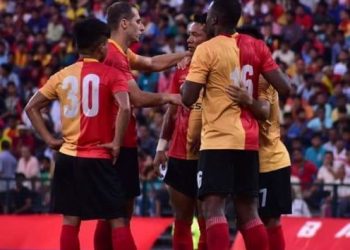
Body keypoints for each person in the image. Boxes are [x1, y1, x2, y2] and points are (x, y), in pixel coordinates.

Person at [181, 1, 290, 250]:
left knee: (213, 207)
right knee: (249, 211)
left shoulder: (207, 50)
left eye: (208, 16)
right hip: (249, 142)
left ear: (216, 19)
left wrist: (192, 79)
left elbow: (187, 98)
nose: (206, 20)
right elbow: (285, 87)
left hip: (218, 138)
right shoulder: (257, 46)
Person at [25, 18, 132, 250]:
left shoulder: (62, 75)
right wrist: (116, 143)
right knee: (117, 218)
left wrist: (50, 139)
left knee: (71, 221)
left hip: (67, 158)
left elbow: (31, 107)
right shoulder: (112, 75)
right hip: (98, 157)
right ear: (102, 46)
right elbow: (125, 107)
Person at [94, 2, 190, 249]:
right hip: (118, 141)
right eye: (138, 21)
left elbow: (151, 63)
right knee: (120, 214)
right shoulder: (114, 56)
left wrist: (186, 55)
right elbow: (135, 98)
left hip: (114, 139)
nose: (143, 26)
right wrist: (170, 97)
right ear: (124, 23)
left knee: (111, 213)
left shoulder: (117, 51)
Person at [227, 36, 291, 250]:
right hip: (248, 158)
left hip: (270, 160)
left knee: (269, 220)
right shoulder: (247, 75)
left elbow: (263, 112)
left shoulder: (263, 79)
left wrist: (246, 100)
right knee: (245, 220)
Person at [153, 14, 208, 250]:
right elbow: (171, 112)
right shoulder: (182, 69)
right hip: (179, 153)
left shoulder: (222, 66)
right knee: (182, 220)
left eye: (195, 34)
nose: (189, 39)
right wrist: (160, 147)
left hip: (208, 152)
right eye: (189, 34)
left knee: (209, 220)